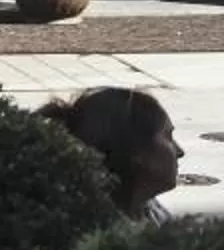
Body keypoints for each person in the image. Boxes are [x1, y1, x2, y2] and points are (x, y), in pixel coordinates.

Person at [39, 88, 183, 222]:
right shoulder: (100, 232)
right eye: (168, 137)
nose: (180, 152)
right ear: (135, 151)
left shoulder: (148, 211)